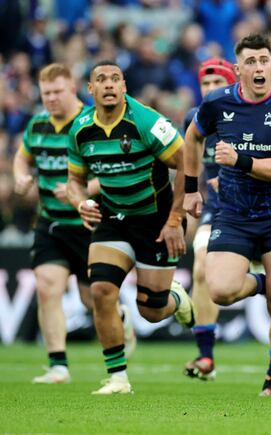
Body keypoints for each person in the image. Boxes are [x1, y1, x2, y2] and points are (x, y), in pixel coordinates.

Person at [184, 33, 271, 397]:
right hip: (234, 213)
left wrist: (240, 160)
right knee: (219, 290)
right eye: (249, 62)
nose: (257, 67)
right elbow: (191, 138)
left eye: (263, 60)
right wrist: (192, 189)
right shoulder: (217, 102)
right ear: (238, 70)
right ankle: (270, 283)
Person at [66, 61, 195, 395]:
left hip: (155, 219)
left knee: (151, 310)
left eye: (115, 79)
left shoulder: (147, 121)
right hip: (113, 217)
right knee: (101, 291)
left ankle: (175, 299)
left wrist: (174, 220)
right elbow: (74, 181)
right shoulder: (80, 129)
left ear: (124, 86)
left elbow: (186, 161)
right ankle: (118, 378)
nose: (108, 85)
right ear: (90, 90)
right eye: (100, 80)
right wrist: (81, 202)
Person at [14, 63, 135, 384]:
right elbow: (23, 155)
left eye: (57, 92)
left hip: (89, 221)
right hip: (52, 220)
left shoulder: (89, 122)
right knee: (46, 286)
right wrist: (20, 176)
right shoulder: (37, 124)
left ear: (73, 90)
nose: (51, 99)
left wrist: (80, 190)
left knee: (91, 298)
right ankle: (58, 366)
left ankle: (120, 319)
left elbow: (111, 170)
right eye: (46, 94)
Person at [182, 58, 238, 381]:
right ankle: (206, 356)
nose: (211, 90)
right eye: (206, 84)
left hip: (263, 210)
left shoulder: (250, 112)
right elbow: (188, 162)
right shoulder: (195, 118)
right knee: (201, 265)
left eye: (218, 83)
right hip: (218, 210)